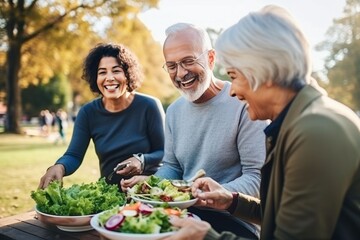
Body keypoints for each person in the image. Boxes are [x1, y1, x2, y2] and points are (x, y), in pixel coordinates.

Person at [163, 5, 360, 240]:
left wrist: (208, 237)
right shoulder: (297, 122)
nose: (233, 91)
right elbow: (279, 213)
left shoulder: (317, 131)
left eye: (234, 76)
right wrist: (231, 200)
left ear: (264, 72)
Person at [121, 23, 267, 239]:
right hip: (184, 212)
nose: (181, 73)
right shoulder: (174, 111)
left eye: (188, 61)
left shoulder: (243, 103)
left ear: (210, 58)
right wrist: (151, 184)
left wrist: (199, 193)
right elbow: (172, 166)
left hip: (233, 221)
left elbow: (256, 179)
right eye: (171, 66)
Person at [38, 43, 165, 189]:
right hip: (110, 194)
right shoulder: (88, 112)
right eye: (102, 72)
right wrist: (59, 166)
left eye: (116, 71)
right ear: (95, 77)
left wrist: (142, 160)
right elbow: (74, 155)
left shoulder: (149, 105)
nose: (109, 78)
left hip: (147, 191)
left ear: (128, 74)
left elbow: (164, 152)